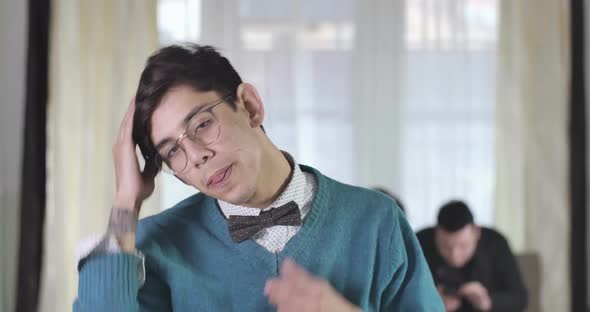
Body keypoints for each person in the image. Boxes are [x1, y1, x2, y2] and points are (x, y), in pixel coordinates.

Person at [73, 44, 444, 311]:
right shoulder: (155, 245)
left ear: (249, 105)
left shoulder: (376, 220)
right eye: (173, 151)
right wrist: (125, 201)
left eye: (202, 123)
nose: (197, 155)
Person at [416, 200, 527, 312]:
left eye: (464, 246)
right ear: (436, 234)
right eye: (445, 247)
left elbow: (520, 298)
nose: (455, 256)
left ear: (476, 233)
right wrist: (431, 304)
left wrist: (488, 302)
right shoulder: (419, 243)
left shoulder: (495, 243)